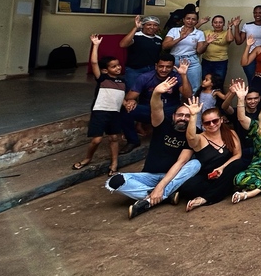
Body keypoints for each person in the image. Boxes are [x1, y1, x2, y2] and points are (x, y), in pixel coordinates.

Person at [105, 77, 202, 219]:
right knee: (114, 181)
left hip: (174, 177)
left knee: (195, 164)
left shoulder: (195, 134)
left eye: (188, 116)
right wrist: (156, 93)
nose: (183, 118)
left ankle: (153, 197)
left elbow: (181, 162)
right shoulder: (163, 124)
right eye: (180, 115)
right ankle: (165, 196)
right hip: (149, 176)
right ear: (173, 116)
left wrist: (160, 187)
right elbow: (156, 108)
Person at [177, 101, 245, 212]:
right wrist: (193, 115)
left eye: (215, 121)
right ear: (203, 125)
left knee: (238, 164)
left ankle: (206, 198)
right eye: (207, 123)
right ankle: (225, 189)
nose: (212, 124)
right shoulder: (200, 138)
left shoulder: (231, 133)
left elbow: (237, 154)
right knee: (187, 188)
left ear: (221, 120)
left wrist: (222, 168)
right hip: (208, 176)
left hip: (227, 171)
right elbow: (191, 138)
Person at [72, 34, 125, 174]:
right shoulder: (102, 79)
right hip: (100, 111)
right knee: (97, 139)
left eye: (118, 65)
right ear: (105, 70)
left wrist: (127, 102)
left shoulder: (123, 81)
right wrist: (96, 45)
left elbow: (121, 97)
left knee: (114, 138)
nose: (118, 68)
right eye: (114, 66)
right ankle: (87, 158)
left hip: (115, 113)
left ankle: (114, 163)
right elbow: (94, 63)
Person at [119, 15, 162, 92]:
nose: (152, 27)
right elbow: (122, 44)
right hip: (134, 70)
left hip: (151, 70)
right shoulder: (136, 36)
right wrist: (135, 28)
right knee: (132, 91)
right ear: (143, 25)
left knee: (148, 92)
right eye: (149, 24)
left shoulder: (158, 39)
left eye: (155, 25)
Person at [200, 14, 234, 83]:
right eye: (215, 22)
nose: (218, 24)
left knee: (219, 82)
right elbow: (192, 31)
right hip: (206, 61)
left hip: (220, 62)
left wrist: (229, 27)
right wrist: (200, 23)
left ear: (224, 24)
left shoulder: (226, 33)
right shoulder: (207, 32)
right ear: (212, 24)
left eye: (220, 22)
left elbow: (230, 39)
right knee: (205, 81)